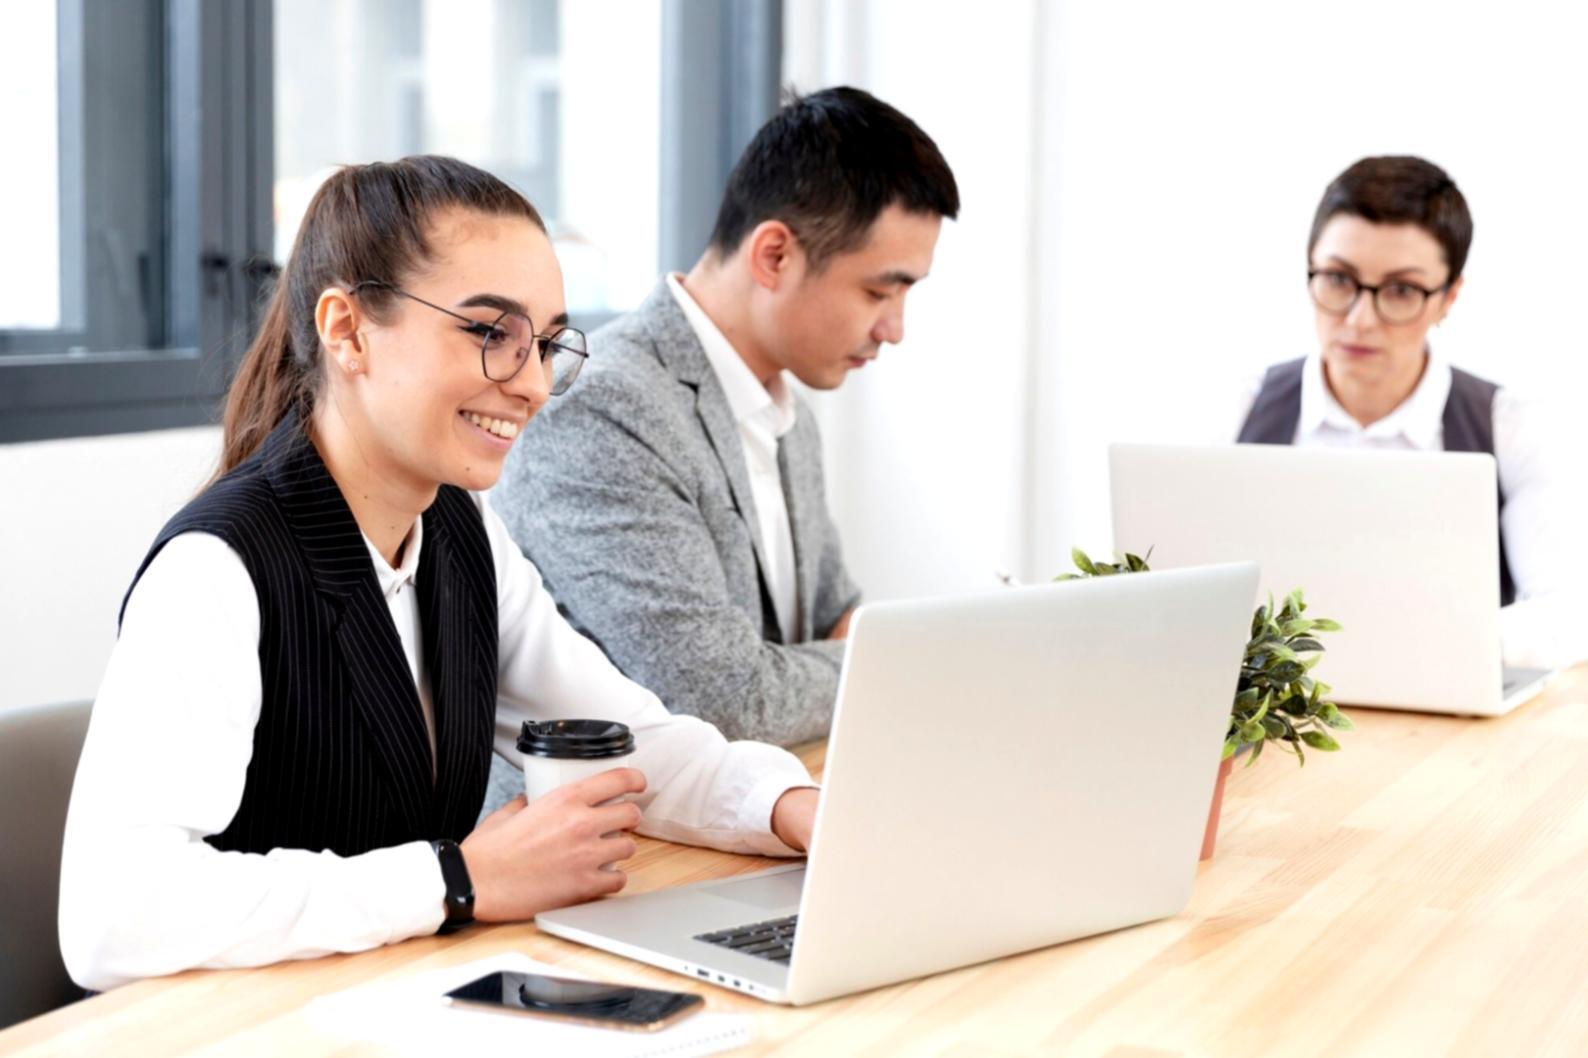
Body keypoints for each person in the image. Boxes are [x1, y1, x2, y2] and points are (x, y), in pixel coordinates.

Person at [58, 156, 819, 993]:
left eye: (547, 344)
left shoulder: (461, 533)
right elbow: (111, 917)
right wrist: (455, 879)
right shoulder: (216, 569)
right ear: (347, 330)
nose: (531, 385)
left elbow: (629, 740)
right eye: (491, 333)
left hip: (391, 1000)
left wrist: (793, 810)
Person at [493, 87, 960, 745]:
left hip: (762, 808)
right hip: (626, 836)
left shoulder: (786, 412)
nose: (895, 329)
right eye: (878, 290)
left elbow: (837, 619)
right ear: (774, 255)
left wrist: (858, 650)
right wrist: (903, 657)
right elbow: (724, 701)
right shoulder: (605, 410)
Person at [1238, 155, 1587, 668]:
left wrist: (1420, 649)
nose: (1359, 320)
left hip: (1450, 724)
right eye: (1338, 279)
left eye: (1400, 290)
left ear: (1448, 298)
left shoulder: (1509, 425)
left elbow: (1568, 611)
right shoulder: (1241, 406)